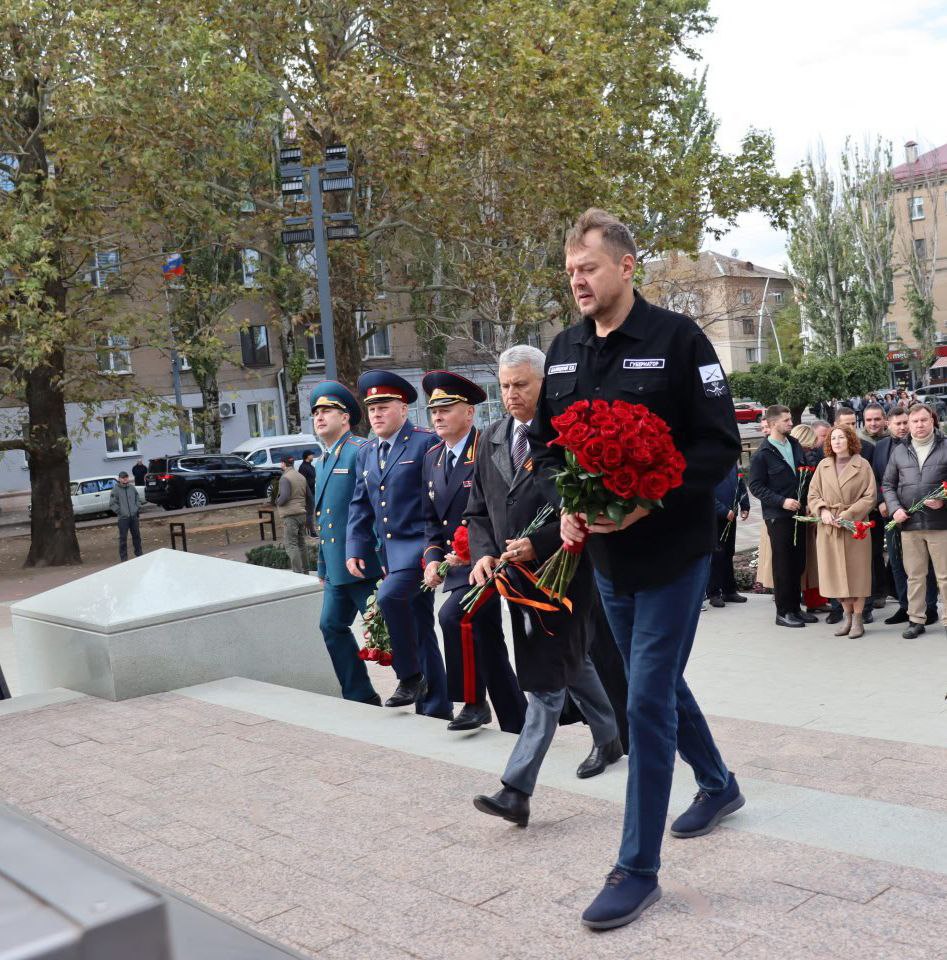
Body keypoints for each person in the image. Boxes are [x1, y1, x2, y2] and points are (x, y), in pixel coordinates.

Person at [531, 210, 742, 930]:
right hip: (606, 560)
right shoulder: (562, 352)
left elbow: (719, 448)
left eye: (587, 268)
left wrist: (651, 501)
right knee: (657, 686)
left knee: (643, 701)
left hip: (675, 553)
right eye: (569, 273)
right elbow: (547, 449)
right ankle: (716, 782)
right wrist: (567, 502)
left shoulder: (678, 341)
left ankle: (635, 869)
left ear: (625, 267)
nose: (577, 282)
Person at [470, 343, 624, 831]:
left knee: (545, 683)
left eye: (521, 385)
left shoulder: (565, 436)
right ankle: (610, 735)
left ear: (544, 384)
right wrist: (483, 554)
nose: (511, 395)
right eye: (505, 386)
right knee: (571, 665)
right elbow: (478, 510)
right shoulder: (491, 437)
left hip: (566, 574)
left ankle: (516, 789)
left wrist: (539, 542)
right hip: (514, 578)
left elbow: (580, 502)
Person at [420, 371, 526, 733]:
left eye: (447, 408)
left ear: (469, 413)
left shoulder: (486, 447)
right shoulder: (432, 458)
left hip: (491, 560)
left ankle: (472, 702)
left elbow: (497, 507)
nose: (438, 416)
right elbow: (430, 521)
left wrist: (476, 550)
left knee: (453, 617)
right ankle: (517, 720)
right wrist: (432, 558)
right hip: (456, 565)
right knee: (487, 640)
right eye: (434, 410)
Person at [346, 371, 452, 718]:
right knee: (421, 629)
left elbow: (439, 496)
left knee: (391, 597)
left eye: (384, 406)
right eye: (371, 408)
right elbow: (360, 504)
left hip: (421, 549)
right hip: (391, 554)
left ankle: (409, 676)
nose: (376, 414)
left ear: (403, 409)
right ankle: (435, 709)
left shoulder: (423, 443)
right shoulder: (367, 451)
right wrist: (355, 546)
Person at [310, 382, 381, 706]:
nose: (319, 417)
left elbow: (376, 507)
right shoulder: (323, 460)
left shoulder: (360, 450)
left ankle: (423, 690)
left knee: (391, 631)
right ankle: (359, 694)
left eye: (326, 411)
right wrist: (323, 566)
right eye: (315, 412)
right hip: (337, 567)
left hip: (365, 563)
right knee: (330, 625)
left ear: (346, 417)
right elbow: (326, 518)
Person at [883, 402, 947, 639]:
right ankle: (916, 619)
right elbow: (888, 484)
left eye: (923, 420)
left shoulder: (945, 446)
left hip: (940, 524)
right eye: (914, 421)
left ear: (932, 421)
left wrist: (944, 502)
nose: (919, 425)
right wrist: (895, 508)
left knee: (944, 575)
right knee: (915, 575)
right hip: (909, 524)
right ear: (908, 424)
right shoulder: (899, 451)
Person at [806, 426, 876, 638]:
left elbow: (870, 497)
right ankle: (846, 616)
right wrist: (823, 510)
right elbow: (813, 494)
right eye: (833, 438)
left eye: (841, 438)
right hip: (829, 528)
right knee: (834, 575)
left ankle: (858, 619)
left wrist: (848, 515)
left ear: (850, 440)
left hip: (854, 528)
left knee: (857, 575)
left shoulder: (862, 465)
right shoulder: (823, 465)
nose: (836, 441)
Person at [748, 406, 813, 627]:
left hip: (799, 513)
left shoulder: (794, 445)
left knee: (798, 561)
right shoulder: (762, 454)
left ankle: (796, 608)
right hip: (778, 516)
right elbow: (756, 486)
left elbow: (803, 473)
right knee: (783, 564)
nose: (790, 423)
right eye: (786, 420)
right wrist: (781, 501)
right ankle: (783, 612)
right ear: (773, 423)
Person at [790, 424, 827, 614]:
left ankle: (803, 599)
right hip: (809, 513)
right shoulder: (810, 457)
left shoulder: (793, 455)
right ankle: (814, 599)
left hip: (799, 512)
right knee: (811, 560)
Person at [706, 462, 749, 607]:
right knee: (717, 554)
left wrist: (745, 505)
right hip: (715, 517)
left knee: (729, 552)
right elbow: (706, 492)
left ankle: (729, 591)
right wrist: (723, 510)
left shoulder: (730, 461)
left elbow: (740, 482)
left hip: (731, 515)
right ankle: (714, 593)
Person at [277, 454, 312, 574]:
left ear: (283, 464)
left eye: (281, 462)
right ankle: (306, 570)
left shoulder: (285, 478)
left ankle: (297, 573)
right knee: (301, 543)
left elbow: (284, 496)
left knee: (291, 544)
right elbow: (309, 497)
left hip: (290, 516)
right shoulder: (301, 477)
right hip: (302, 513)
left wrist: (277, 501)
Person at [109, 471, 143, 562]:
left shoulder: (132, 488)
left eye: (126, 477)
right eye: (123, 477)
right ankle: (124, 558)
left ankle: (139, 554)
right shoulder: (115, 490)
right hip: (123, 519)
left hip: (134, 517)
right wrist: (120, 512)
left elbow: (137, 498)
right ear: (119, 479)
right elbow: (112, 504)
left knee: (137, 536)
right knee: (123, 538)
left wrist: (136, 508)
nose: (125, 479)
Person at [298, 449, 317, 536]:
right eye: (311, 455)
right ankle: (311, 532)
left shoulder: (310, 466)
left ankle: (308, 530)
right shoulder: (303, 467)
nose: (313, 456)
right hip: (307, 493)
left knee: (310, 512)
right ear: (307, 456)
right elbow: (302, 482)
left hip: (313, 491)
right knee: (309, 513)